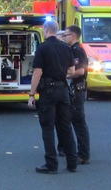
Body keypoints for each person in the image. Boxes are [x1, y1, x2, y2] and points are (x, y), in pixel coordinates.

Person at [28, 19, 76, 174]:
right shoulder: (65, 48)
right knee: (65, 127)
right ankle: (72, 163)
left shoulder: (42, 49)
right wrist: (61, 73)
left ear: (46, 29)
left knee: (48, 128)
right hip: (63, 91)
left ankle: (51, 164)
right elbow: (72, 72)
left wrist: (31, 94)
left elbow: (37, 72)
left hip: (48, 92)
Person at [64, 25, 91, 165]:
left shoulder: (77, 50)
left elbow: (80, 71)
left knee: (78, 122)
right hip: (73, 90)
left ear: (73, 36)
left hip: (77, 90)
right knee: (72, 121)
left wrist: (64, 75)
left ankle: (83, 154)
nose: (64, 37)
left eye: (66, 35)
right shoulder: (72, 50)